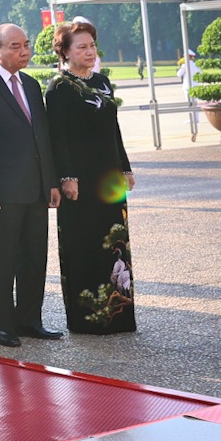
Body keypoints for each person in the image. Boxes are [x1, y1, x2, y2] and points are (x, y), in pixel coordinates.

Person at [0, 24, 61, 346]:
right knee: (4, 260)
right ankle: (3, 325)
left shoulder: (32, 85)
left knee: (35, 258)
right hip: (2, 193)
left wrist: (51, 182)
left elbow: (43, 138)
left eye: (27, 45)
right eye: (16, 46)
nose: (25, 51)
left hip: (35, 190)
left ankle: (30, 319)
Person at [44, 19, 136, 336]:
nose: (89, 51)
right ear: (65, 52)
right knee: (83, 244)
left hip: (108, 177)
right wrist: (66, 176)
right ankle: (89, 319)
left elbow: (114, 128)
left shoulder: (103, 82)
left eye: (92, 45)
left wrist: (125, 167)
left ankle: (119, 315)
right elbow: (57, 137)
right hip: (79, 180)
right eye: (81, 46)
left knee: (115, 243)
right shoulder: (59, 88)